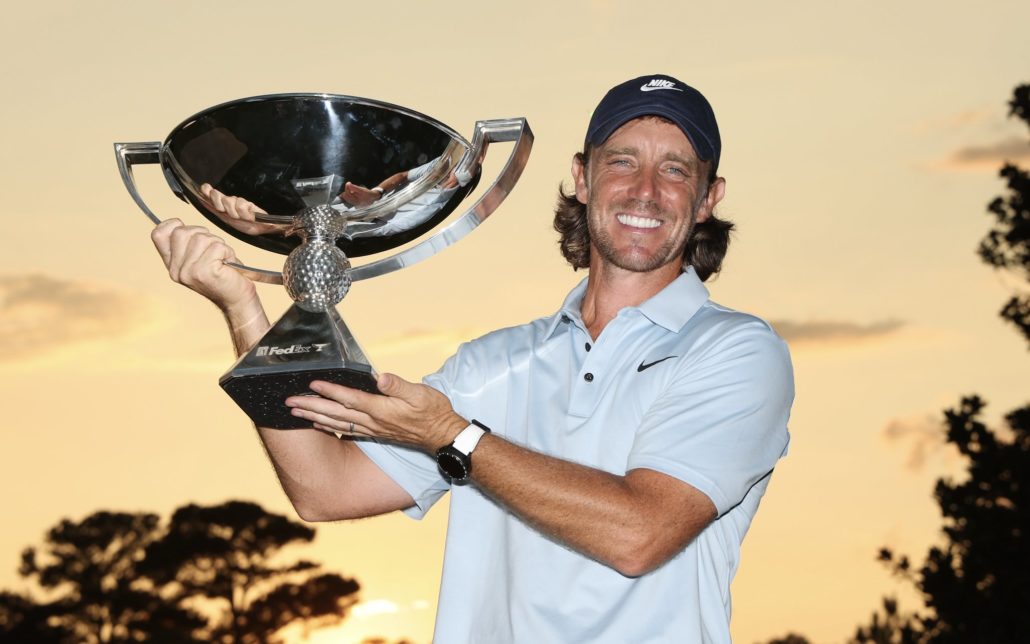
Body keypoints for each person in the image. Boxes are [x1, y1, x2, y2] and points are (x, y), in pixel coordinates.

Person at [151, 73, 794, 643]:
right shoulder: (494, 363)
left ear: (708, 198)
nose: (645, 190)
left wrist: (451, 436)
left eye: (676, 170)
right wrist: (242, 307)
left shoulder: (735, 351)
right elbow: (325, 488)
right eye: (622, 161)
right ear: (583, 177)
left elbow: (639, 534)